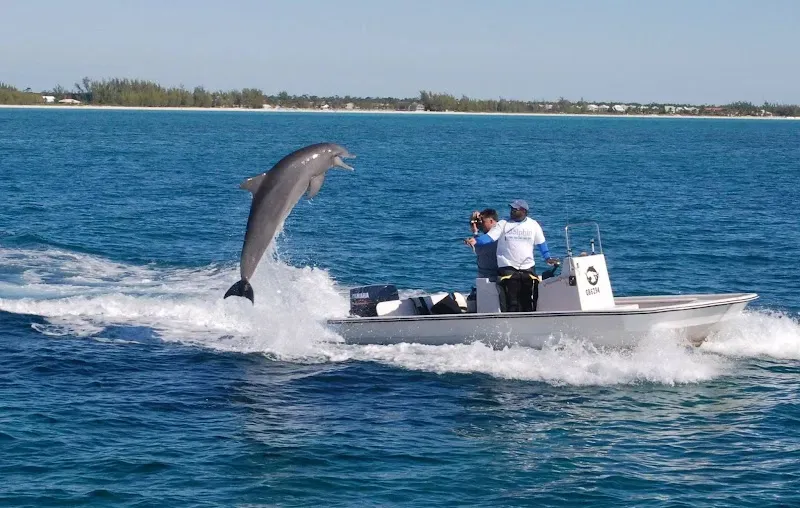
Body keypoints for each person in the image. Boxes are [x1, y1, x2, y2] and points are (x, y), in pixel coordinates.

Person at [465, 199, 557, 312]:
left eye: (515, 209)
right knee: (512, 301)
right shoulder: (503, 224)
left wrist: (547, 257)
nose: (512, 211)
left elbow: (541, 243)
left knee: (527, 301)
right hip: (508, 268)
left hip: (527, 268)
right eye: (511, 209)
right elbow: (489, 238)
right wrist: (476, 240)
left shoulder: (533, 225)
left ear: (524, 211)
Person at [467, 208, 499, 282]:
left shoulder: (495, 236)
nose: (482, 225)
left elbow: (479, 250)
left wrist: (475, 232)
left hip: (493, 276)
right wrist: (474, 223)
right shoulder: (491, 234)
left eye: (483, 222)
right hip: (486, 275)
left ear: (491, 221)